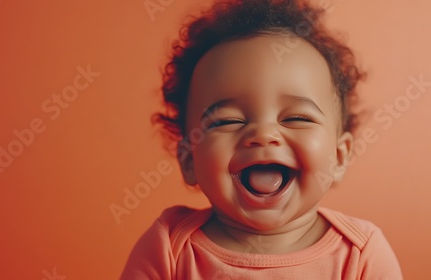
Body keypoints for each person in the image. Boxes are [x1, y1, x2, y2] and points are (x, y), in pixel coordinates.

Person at [121, 0, 403, 279]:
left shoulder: (362, 253)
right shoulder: (168, 247)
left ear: (340, 157)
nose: (263, 134)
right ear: (189, 159)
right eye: (228, 121)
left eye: (297, 118)